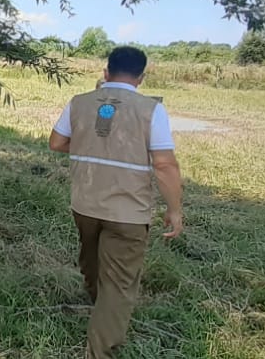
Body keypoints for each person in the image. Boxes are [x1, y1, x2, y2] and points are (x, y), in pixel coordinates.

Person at [48, 46, 183, 359]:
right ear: (141, 77)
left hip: (84, 204)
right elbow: (164, 164)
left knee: (91, 263)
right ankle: (101, 348)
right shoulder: (151, 109)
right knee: (118, 284)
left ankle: (100, 309)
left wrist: (92, 147)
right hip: (128, 213)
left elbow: (57, 142)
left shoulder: (79, 102)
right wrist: (174, 210)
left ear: (105, 72)